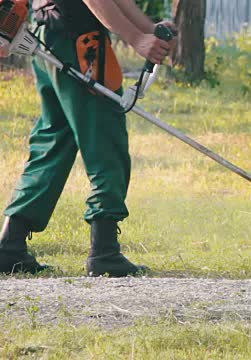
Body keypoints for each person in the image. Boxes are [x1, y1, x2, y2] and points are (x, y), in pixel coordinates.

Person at [0, 0, 176, 276]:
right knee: (105, 135)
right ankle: (104, 250)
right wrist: (136, 38)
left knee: (56, 139)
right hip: (79, 40)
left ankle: (11, 245)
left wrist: (148, 30)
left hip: (52, 35)